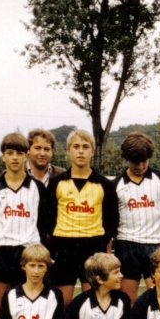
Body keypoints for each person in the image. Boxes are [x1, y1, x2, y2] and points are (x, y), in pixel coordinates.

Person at [0, 133, 48, 319]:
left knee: (28, 304)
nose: (15, 158)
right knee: (2, 306)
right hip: (0, 251)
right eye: (9, 153)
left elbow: (44, 223)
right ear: (3, 156)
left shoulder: (37, 188)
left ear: (26, 155)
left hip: (28, 252)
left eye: (20, 153)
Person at [44, 130, 118, 309]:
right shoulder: (56, 183)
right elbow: (47, 219)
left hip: (93, 248)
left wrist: (104, 249)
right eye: (76, 146)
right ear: (68, 150)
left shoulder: (104, 184)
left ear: (92, 151)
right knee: (61, 303)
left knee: (91, 303)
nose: (81, 151)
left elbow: (111, 222)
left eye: (86, 147)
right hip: (63, 248)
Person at [112, 132, 160, 304]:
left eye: (145, 160)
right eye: (136, 161)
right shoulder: (116, 184)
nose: (141, 165)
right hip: (127, 247)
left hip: (157, 246)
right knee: (127, 303)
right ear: (127, 158)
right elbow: (111, 225)